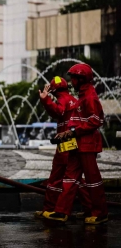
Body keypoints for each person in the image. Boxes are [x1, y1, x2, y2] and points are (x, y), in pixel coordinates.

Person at [43, 63, 108, 224]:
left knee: (93, 179)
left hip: (87, 144)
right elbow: (77, 121)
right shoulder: (80, 97)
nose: (71, 81)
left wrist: (72, 132)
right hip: (76, 143)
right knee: (70, 178)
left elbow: (96, 120)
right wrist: (69, 133)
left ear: (81, 78)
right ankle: (61, 212)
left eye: (73, 78)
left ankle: (100, 213)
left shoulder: (90, 97)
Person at [35, 76, 91, 219]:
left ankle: (50, 208)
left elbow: (58, 111)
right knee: (75, 178)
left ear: (53, 90)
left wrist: (45, 99)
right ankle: (90, 209)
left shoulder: (62, 99)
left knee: (56, 176)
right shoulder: (73, 99)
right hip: (73, 141)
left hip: (64, 143)